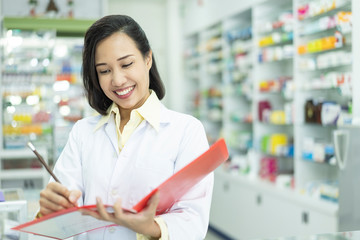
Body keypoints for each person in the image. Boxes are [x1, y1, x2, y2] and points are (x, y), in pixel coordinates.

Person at [38, 15, 214, 240]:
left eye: (127, 64)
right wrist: (51, 210)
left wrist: (149, 226)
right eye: (104, 70)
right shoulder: (83, 132)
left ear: (147, 59)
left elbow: (193, 220)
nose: (118, 80)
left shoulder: (186, 131)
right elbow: (64, 218)